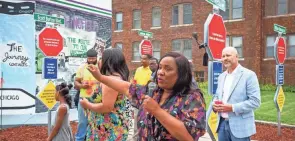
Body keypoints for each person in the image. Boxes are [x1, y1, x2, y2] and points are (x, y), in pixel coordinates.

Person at [87, 52, 206, 141]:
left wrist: (156, 110)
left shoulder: (192, 98)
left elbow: (188, 137)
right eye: (160, 67)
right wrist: (101, 78)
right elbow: (126, 87)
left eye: (168, 69)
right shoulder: (154, 92)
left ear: (181, 74)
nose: (160, 72)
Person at [79, 48, 131, 140]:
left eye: (101, 58)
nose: (99, 60)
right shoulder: (117, 78)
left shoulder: (111, 81)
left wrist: (87, 104)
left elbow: (106, 107)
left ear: (108, 61)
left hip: (107, 129)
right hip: (110, 126)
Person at [212, 47, 261, 141]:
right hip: (222, 124)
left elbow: (255, 101)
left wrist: (232, 108)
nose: (225, 58)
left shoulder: (249, 75)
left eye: (228, 55)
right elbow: (217, 96)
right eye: (223, 56)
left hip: (240, 126)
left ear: (237, 57)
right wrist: (214, 104)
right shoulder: (221, 77)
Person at [74, 49, 100, 141]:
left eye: (93, 58)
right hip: (84, 98)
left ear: (97, 58)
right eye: (89, 58)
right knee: (82, 122)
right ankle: (79, 139)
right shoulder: (82, 67)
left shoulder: (100, 67)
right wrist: (81, 86)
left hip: (98, 99)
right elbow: (76, 82)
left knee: (96, 121)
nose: (91, 60)